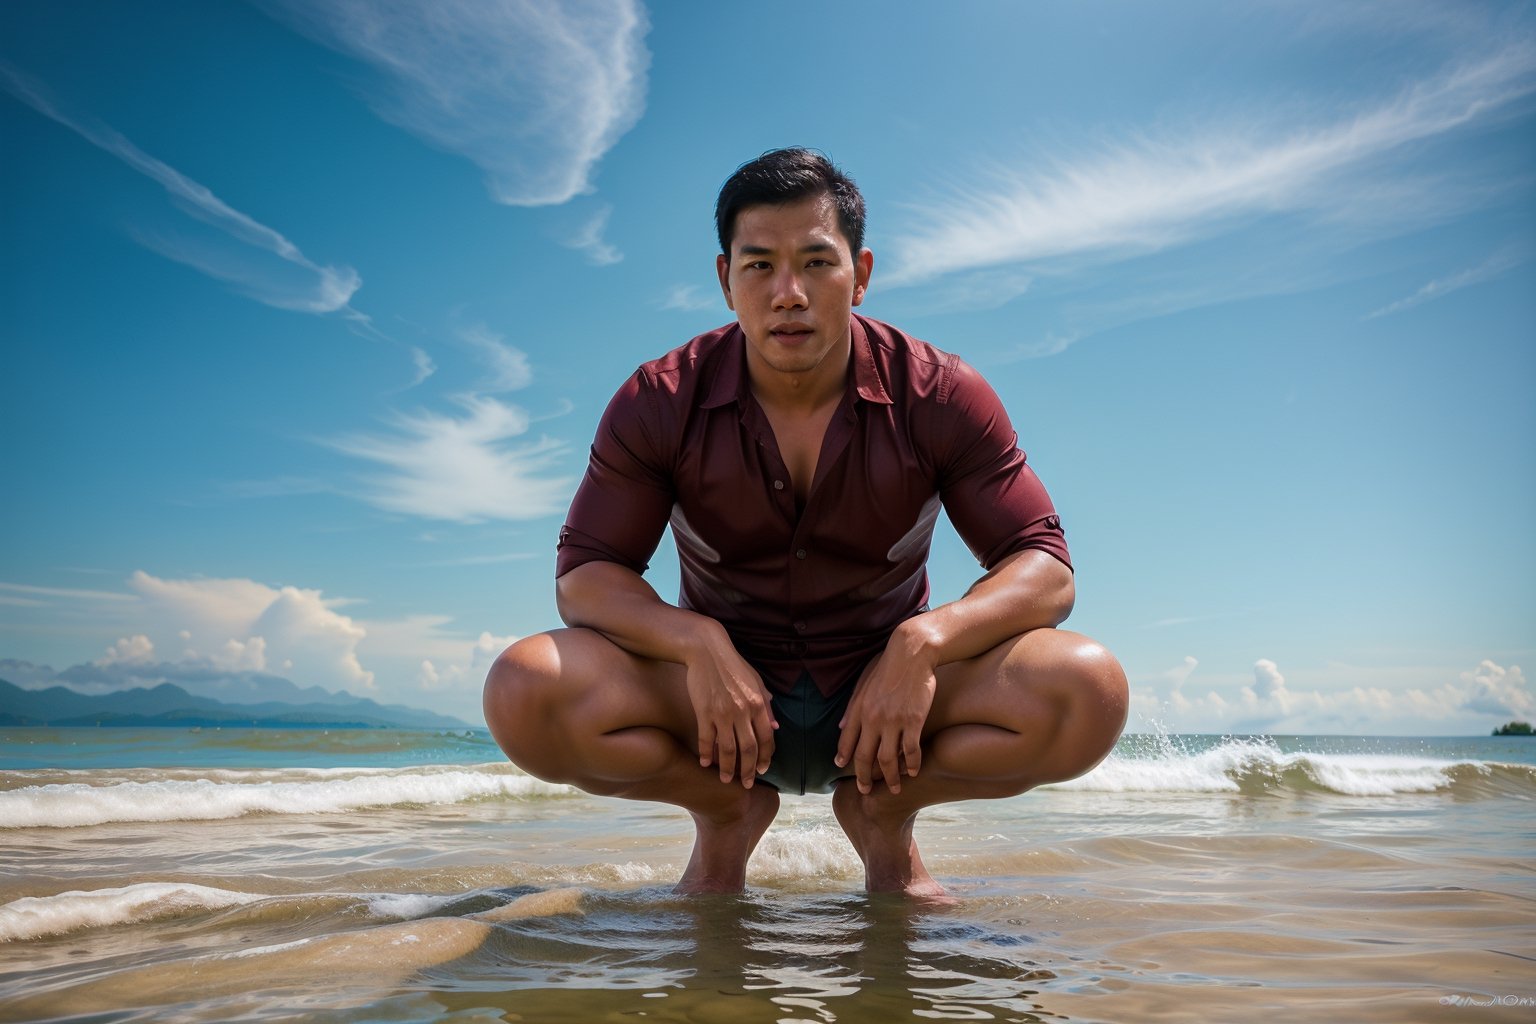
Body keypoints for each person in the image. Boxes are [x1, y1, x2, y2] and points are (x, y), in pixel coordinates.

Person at [483, 148, 1128, 898]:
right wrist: (696, 643)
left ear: (861, 273)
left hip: (887, 700)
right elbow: (589, 573)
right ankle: (723, 812)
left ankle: (887, 814)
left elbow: (1043, 564)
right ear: (725, 280)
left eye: (817, 262)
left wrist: (924, 644)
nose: (788, 293)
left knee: (1087, 689)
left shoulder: (941, 392)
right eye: (759, 265)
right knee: (525, 689)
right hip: (715, 703)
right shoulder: (658, 399)